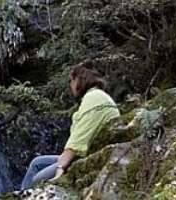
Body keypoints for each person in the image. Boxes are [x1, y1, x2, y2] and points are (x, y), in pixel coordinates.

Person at [19, 61, 120, 189]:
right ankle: (20, 194)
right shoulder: (99, 96)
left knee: (36, 180)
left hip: (86, 155)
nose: (70, 85)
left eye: (71, 81)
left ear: (78, 80)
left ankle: (25, 194)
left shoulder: (93, 99)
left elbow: (78, 140)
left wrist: (60, 168)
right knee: (36, 163)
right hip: (87, 152)